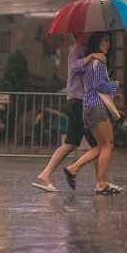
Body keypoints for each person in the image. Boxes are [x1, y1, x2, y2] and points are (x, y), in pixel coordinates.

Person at [32, 33, 101, 192]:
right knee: (99, 145)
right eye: (88, 33)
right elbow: (75, 66)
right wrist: (91, 57)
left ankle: (45, 174)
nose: (90, 35)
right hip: (79, 102)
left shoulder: (84, 51)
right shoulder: (77, 51)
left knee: (71, 143)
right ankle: (100, 182)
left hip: (75, 102)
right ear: (81, 35)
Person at [64, 31, 122, 195]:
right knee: (108, 145)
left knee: (101, 146)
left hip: (89, 106)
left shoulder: (92, 61)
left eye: (109, 41)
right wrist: (113, 85)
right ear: (97, 42)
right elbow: (98, 85)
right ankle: (99, 183)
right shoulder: (97, 62)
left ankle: (75, 169)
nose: (108, 44)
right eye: (105, 40)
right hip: (97, 106)